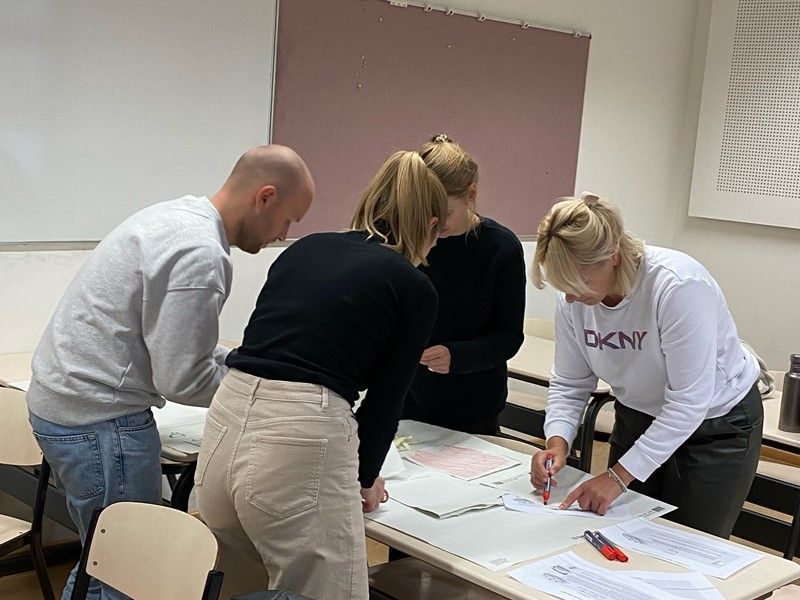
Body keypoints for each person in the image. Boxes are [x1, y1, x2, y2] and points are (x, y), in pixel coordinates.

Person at [27, 145, 314, 600]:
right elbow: (182, 378)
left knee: (102, 561)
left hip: (67, 407)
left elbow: (173, 341)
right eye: (288, 220)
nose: (283, 235)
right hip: (100, 422)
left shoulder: (176, 217)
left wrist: (240, 363)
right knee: (128, 575)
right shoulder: (202, 255)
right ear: (265, 197)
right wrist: (260, 394)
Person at [194, 150, 446, 600]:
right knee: (326, 593)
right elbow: (387, 399)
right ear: (429, 225)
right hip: (300, 432)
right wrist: (363, 479)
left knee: (236, 584)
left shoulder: (306, 248)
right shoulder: (413, 286)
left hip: (225, 419)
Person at [528, 193, 762, 537]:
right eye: (563, 287)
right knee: (620, 533)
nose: (571, 297)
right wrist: (557, 442)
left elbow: (688, 403)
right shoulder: (573, 299)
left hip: (715, 426)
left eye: (579, 283)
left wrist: (616, 477)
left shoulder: (677, 286)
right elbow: (570, 382)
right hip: (639, 415)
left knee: (687, 545)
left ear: (613, 256)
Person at [401, 134, 526, 434]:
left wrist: (457, 357)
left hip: (475, 409)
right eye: (426, 212)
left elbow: (509, 337)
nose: (434, 224)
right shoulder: (409, 242)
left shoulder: (501, 248)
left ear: (471, 194)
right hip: (408, 402)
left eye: (444, 213)